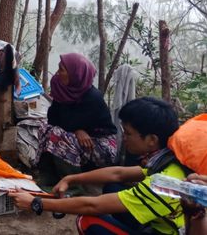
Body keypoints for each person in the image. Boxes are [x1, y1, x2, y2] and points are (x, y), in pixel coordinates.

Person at [10, 97, 187, 235]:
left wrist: (36, 202)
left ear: (151, 140)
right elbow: (118, 174)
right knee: (112, 187)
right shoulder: (166, 160)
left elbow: (92, 206)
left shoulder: (164, 183)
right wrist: (70, 178)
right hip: (156, 223)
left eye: (129, 133)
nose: (124, 138)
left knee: (89, 221)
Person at [35, 53, 118, 185]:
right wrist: (77, 130)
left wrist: (78, 130)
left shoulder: (92, 97)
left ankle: (72, 186)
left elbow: (71, 123)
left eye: (61, 70)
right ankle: (49, 177)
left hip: (100, 143)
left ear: (76, 75)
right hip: (78, 136)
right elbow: (53, 119)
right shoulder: (63, 89)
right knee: (46, 130)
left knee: (58, 136)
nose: (57, 73)